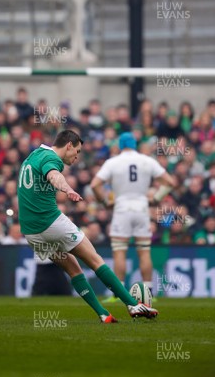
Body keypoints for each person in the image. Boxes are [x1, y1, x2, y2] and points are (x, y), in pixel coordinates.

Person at [17, 129, 158, 323]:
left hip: (32, 234)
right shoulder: (52, 159)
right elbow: (53, 175)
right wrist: (68, 189)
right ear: (68, 145)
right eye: (77, 151)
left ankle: (103, 313)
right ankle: (132, 304)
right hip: (50, 222)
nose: (77, 156)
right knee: (95, 260)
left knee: (74, 270)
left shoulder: (35, 155)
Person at [90, 132, 175, 297]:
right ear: (135, 144)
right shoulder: (147, 160)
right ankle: (148, 292)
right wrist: (156, 198)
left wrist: (105, 202)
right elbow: (170, 182)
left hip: (122, 208)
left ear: (120, 145)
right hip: (142, 207)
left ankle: (119, 293)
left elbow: (95, 185)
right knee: (144, 251)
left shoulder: (113, 162)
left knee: (120, 251)